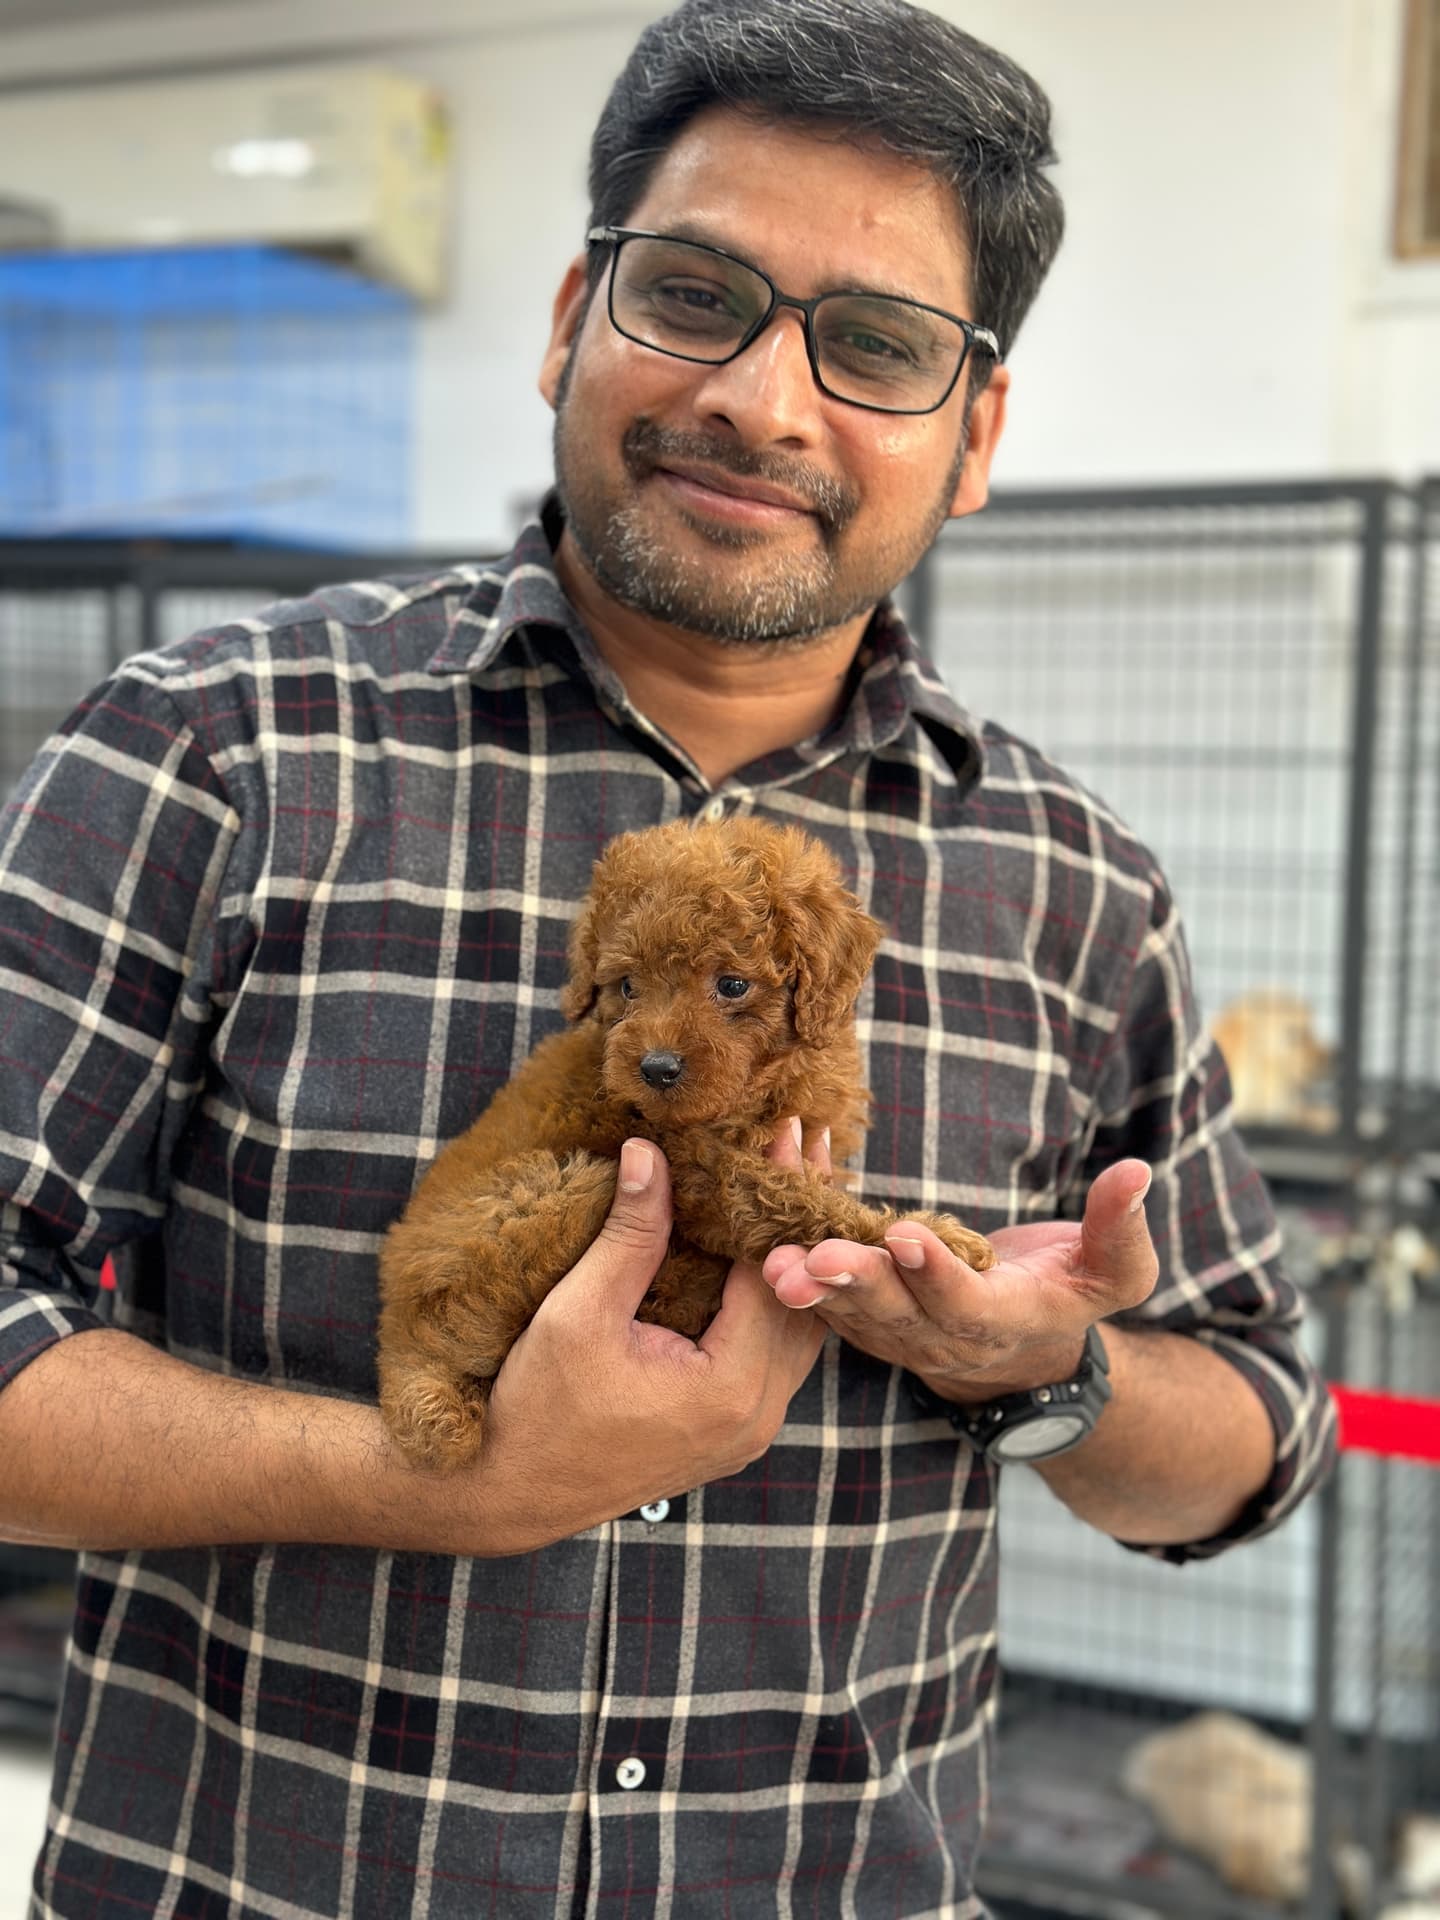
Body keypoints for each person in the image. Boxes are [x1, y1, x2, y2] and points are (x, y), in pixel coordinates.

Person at [0, 1, 1335, 1914]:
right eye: (695, 293)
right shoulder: (220, 756)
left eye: (876, 346)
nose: (766, 404)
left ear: (975, 438)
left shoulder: (1074, 886)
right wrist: (434, 1477)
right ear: (570, 319)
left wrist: (1050, 1376)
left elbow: (1260, 1441)